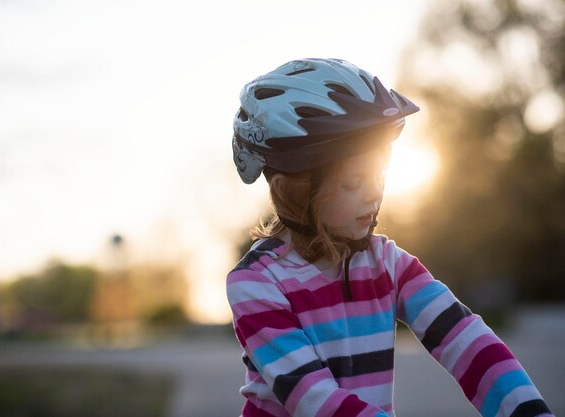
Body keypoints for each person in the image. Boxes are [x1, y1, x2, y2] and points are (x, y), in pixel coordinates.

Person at [226, 58, 553, 417]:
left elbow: (467, 342)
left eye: (379, 176)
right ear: (292, 192)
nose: (373, 195)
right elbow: (312, 398)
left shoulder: (388, 265)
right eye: (353, 182)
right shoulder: (256, 283)